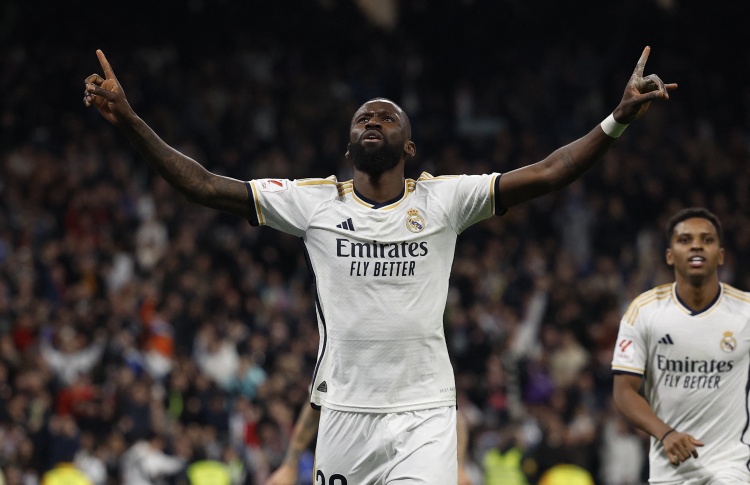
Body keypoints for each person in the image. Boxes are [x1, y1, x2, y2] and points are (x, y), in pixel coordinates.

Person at [84, 46, 675, 484]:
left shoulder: (444, 200)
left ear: (408, 147)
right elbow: (205, 185)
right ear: (349, 147)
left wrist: (617, 118)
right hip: (344, 414)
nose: (372, 121)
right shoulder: (313, 203)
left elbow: (549, 172)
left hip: (424, 412)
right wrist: (132, 122)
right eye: (363, 119)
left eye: (386, 118)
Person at [612, 207, 750, 483]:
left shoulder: (745, 311)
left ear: (721, 255)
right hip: (669, 470)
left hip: (732, 466)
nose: (696, 245)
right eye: (685, 240)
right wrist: (665, 434)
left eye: (707, 239)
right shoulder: (644, 311)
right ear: (669, 255)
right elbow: (624, 391)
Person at [265, 404, 474, 485]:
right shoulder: (341, 347)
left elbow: (447, 410)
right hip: (349, 457)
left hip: (405, 454)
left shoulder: (412, 344)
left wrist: (458, 465)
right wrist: (290, 465)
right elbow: (315, 403)